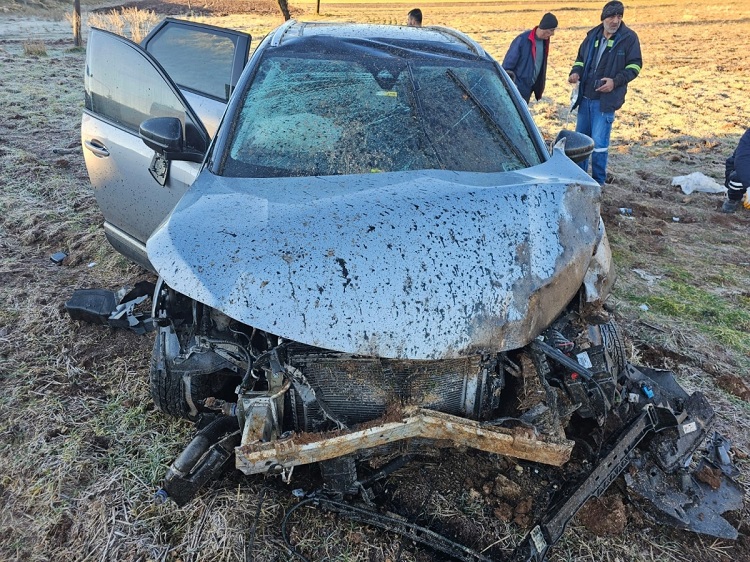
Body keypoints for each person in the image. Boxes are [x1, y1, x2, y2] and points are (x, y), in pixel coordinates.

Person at [568, 1, 642, 186]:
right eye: (611, 16)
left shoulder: (629, 38)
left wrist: (614, 82)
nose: (615, 21)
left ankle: (598, 183)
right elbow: (580, 59)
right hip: (585, 99)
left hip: (605, 101)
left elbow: (635, 66)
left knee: (599, 146)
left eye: (619, 16)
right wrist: (575, 72)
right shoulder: (592, 35)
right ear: (603, 18)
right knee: (580, 143)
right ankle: (579, 180)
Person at [502, 12, 558, 104]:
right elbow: (507, 66)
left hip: (529, 89)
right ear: (544, 29)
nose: (553, 34)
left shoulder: (544, 42)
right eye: (552, 30)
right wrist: (511, 86)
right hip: (516, 88)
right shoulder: (522, 40)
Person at [722, 128, 750, 213]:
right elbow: (743, 160)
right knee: (737, 178)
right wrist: (749, 186)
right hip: (741, 167)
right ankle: (733, 198)